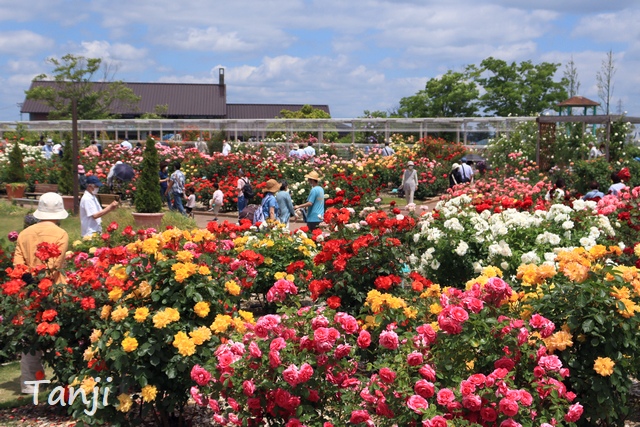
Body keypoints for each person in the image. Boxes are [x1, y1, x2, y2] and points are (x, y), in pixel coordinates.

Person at [13, 193, 69, 394]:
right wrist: (41, 280)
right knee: (59, 335)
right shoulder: (61, 234)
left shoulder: (25, 234)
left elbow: (18, 265)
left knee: (29, 338)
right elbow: (54, 266)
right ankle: (65, 379)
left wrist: (30, 280)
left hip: (28, 292)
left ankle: (30, 384)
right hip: (53, 291)